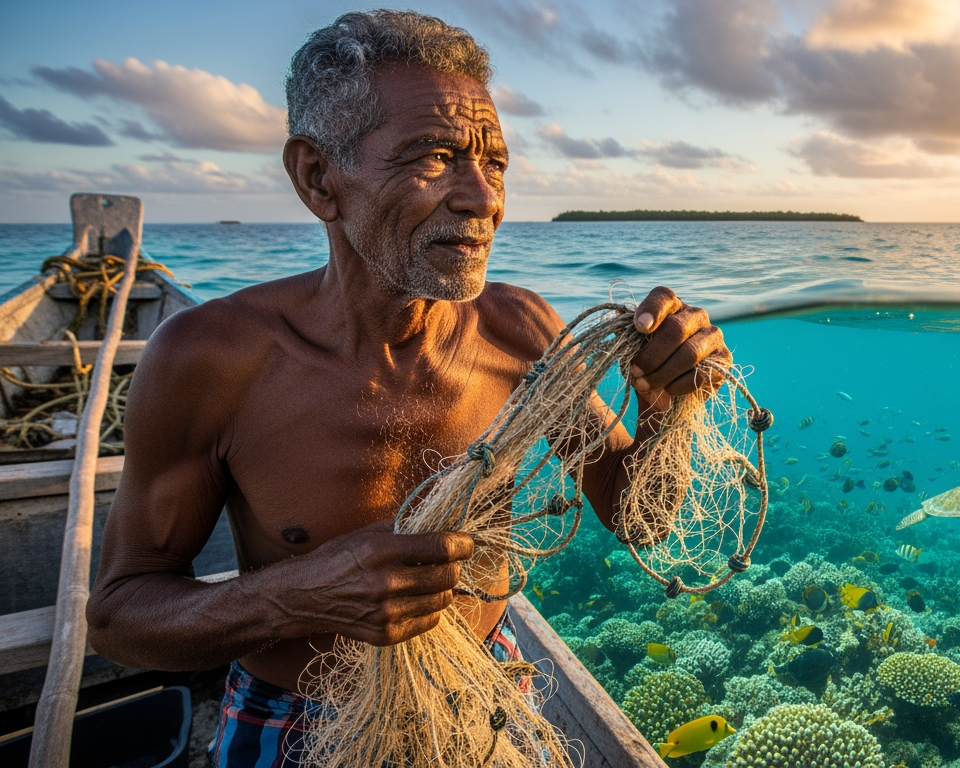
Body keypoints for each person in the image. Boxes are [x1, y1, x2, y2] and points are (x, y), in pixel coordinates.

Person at [85, 10, 729, 766]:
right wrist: (295, 595)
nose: (483, 199)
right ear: (318, 178)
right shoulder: (211, 359)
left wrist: (664, 409)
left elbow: (640, 518)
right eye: (434, 158)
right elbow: (121, 617)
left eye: (495, 164)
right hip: (298, 719)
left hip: (485, 696)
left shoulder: (521, 331)